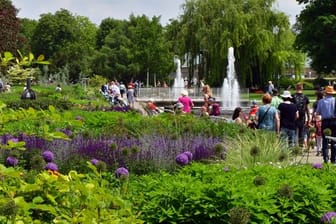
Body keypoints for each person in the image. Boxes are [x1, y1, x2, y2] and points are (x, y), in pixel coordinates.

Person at [316, 85, 336, 163]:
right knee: (334, 140)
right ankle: (333, 159)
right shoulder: (334, 101)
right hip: (334, 121)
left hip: (325, 121)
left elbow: (318, 112)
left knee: (325, 140)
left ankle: (325, 158)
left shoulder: (321, 101)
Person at [291, 82, 310, 147]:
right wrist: (309, 118)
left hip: (294, 116)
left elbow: (291, 107)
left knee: (294, 132)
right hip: (302, 116)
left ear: (296, 87)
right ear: (302, 88)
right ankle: (300, 146)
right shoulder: (305, 97)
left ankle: (294, 146)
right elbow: (307, 108)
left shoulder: (293, 96)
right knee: (301, 132)